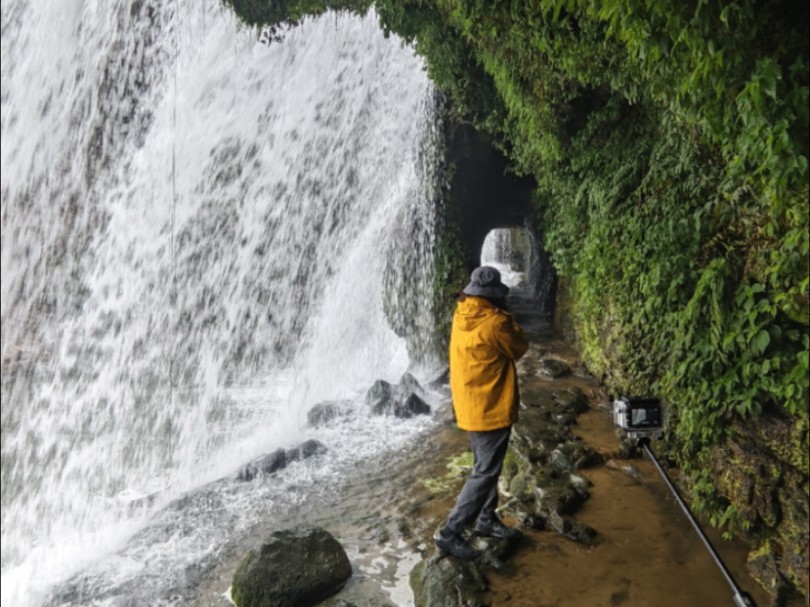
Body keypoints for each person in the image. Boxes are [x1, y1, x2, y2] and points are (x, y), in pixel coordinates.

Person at [434, 265, 529, 560]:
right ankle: (450, 532)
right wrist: (509, 317)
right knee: (485, 472)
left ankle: (486, 519)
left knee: (484, 466)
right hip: (490, 406)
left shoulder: (462, 313)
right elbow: (519, 347)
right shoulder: (495, 323)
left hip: (469, 404)